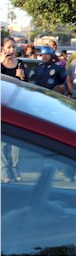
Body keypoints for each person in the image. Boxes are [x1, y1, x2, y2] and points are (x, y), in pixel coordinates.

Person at [1, 37, 25, 183]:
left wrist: (21, 78)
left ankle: (15, 168)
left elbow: (27, 87)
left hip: (16, 106)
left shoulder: (20, 64)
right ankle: (4, 172)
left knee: (16, 143)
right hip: (2, 107)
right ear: (2, 49)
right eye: (9, 47)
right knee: (2, 142)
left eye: (14, 47)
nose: (11, 50)